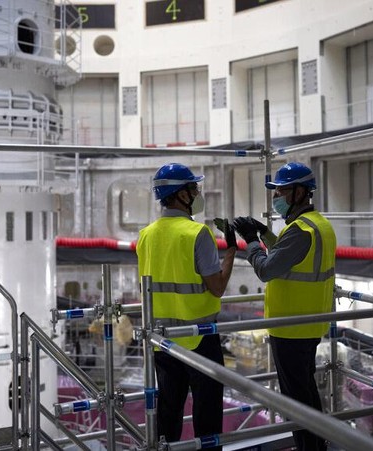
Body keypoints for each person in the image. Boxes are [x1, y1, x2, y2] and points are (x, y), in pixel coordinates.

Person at [233, 161, 336, 451]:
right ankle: (317, 445)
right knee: (306, 393)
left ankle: (309, 448)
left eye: (281, 191)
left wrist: (251, 242)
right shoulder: (316, 225)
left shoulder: (301, 231)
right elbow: (286, 253)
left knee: (296, 401)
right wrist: (264, 231)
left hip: (291, 327)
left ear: (301, 192)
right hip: (308, 324)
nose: (276, 198)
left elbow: (267, 269)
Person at [137, 163, 236, 449]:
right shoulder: (196, 233)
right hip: (199, 337)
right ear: (181, 195)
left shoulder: (146, 235)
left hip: (162, 340)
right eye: (193, 188)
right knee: (207, 416)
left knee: (168, 414)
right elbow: (216, 287)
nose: (197, 192)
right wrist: (230, 253)